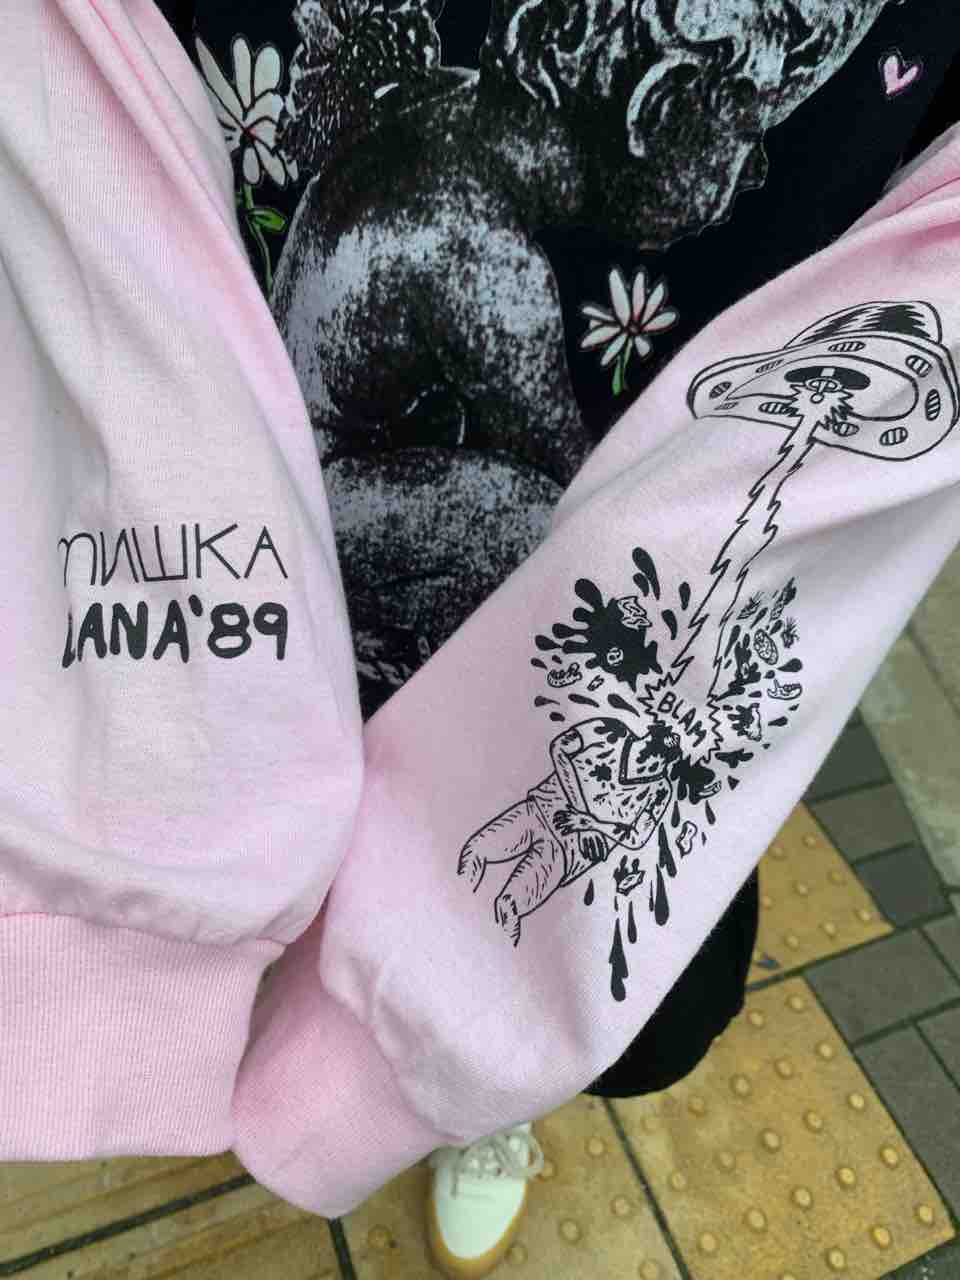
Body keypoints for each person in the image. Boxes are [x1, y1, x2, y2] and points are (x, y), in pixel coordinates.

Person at [1, 4, 957, 1279]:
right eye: (728, 113)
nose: (735, 162)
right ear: (654, 95)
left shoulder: (457, 168)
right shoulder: (462, 232)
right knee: (522, 557)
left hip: (499, 646)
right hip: (266, 583)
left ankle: (455, 1061)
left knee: (572, 878)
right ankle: (412, 1035)